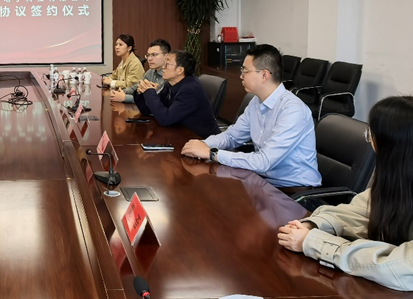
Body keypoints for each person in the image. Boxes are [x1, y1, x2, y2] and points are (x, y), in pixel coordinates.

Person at [278, 96, 413, 292]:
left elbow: (401, 268)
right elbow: (358, 212)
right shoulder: (399, 179)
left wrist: (314, 242)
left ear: (388, 146)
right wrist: (313, 225)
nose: (369, 141)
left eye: (370, 135)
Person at [182, 44, 320, 190]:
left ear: (264, 75)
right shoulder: (256, 102)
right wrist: (202, 145)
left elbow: (263, 161)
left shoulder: (293, 111)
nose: (241, 75)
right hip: (262, 180)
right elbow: (232, 137)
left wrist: (212, 153)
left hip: (292, 189)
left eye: (245, 71)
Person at [133, 50, 220, 138]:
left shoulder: (189, 90)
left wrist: (150, 93)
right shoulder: (170, 83)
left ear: (180, 70)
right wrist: (141, 92)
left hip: (202, 139)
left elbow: (165, 119)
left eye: (167, 64)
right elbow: (148, 110)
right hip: (180, 132)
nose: (163, 67)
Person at [111, 38, 170, 103]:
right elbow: (137, 86)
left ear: (166, 56)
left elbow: (155, 99)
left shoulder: (169, 76)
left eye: (154, 55)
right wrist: (123, 91)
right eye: (148, 55)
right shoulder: (151, 71)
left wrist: (125, 97)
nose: (149, 59)